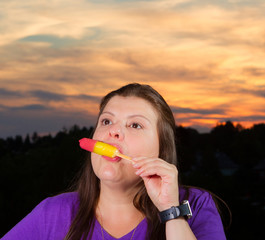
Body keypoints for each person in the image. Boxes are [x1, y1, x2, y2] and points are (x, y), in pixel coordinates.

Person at [2, 83, 227, 240]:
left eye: (135, 125)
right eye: (107, 121)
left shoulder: (195, 205)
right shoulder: (51, 214)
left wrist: (170, 211)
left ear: (162, 149)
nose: (114, 132)